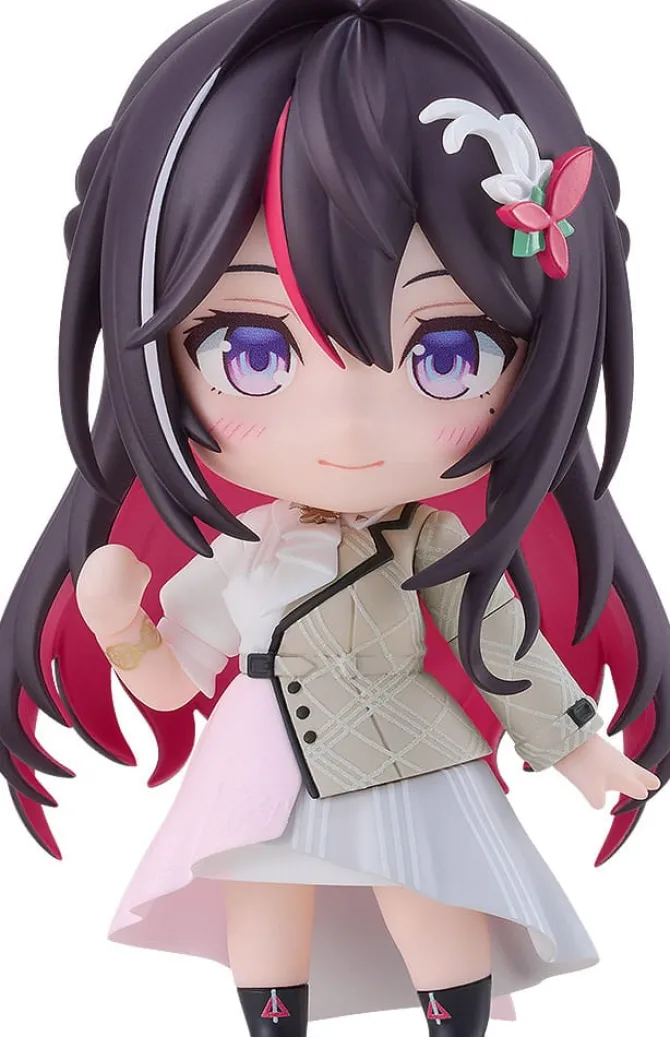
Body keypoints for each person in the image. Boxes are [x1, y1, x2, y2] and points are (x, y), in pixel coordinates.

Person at [0, 3, 666, 1035]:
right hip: (257, 762)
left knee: (432, 901)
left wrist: (579, 749)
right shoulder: (241, 555)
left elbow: (501, 644)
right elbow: (175, 680)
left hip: (403, 750)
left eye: (451, 352)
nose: (349, 423)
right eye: (251, 351)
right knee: (264, 921)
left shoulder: (431, 545)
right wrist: (119, 621)